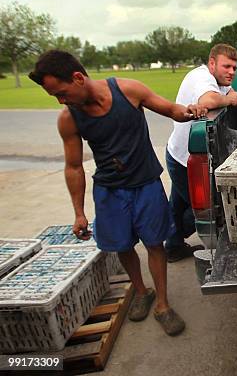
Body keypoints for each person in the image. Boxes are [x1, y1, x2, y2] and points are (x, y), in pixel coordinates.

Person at [29, 50, 206, 336]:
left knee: (154, 244)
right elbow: (73, 167)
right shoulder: (69, 119)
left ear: (77, 78)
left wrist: (192, 110)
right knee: (122, 245)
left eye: (62, 93)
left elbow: (171, 110)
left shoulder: (128, 90)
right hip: (110, 190)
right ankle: (141, 291)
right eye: (56, 97)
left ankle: (162, 304)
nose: (62, 101)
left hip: (146, 184)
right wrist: (78, 213)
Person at [164, 43, 237, 261]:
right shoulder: (201, 77)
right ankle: (169, 240)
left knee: (177, 205)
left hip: (183, 154)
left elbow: (229, 91)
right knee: (198, 210)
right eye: (227, 66)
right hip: (183, 158)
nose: (232, 72)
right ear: (212, 63)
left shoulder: (217, 80)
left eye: (235, 68)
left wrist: (229, 94)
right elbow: (209, 101)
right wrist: (230, 99)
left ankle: (172, 246)